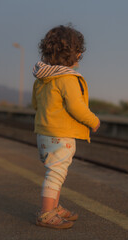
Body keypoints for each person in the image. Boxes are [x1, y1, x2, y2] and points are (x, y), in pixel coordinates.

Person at [31, 24, 100, 229]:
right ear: (76, 54)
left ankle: (53, 207)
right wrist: (93, 121)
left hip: (43, 134)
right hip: (61, 136)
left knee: (55, 172)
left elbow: (36, 104)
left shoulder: (43, 78)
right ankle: (45, 213)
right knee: (56, 174)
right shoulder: (67, 79)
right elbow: (76, 107)